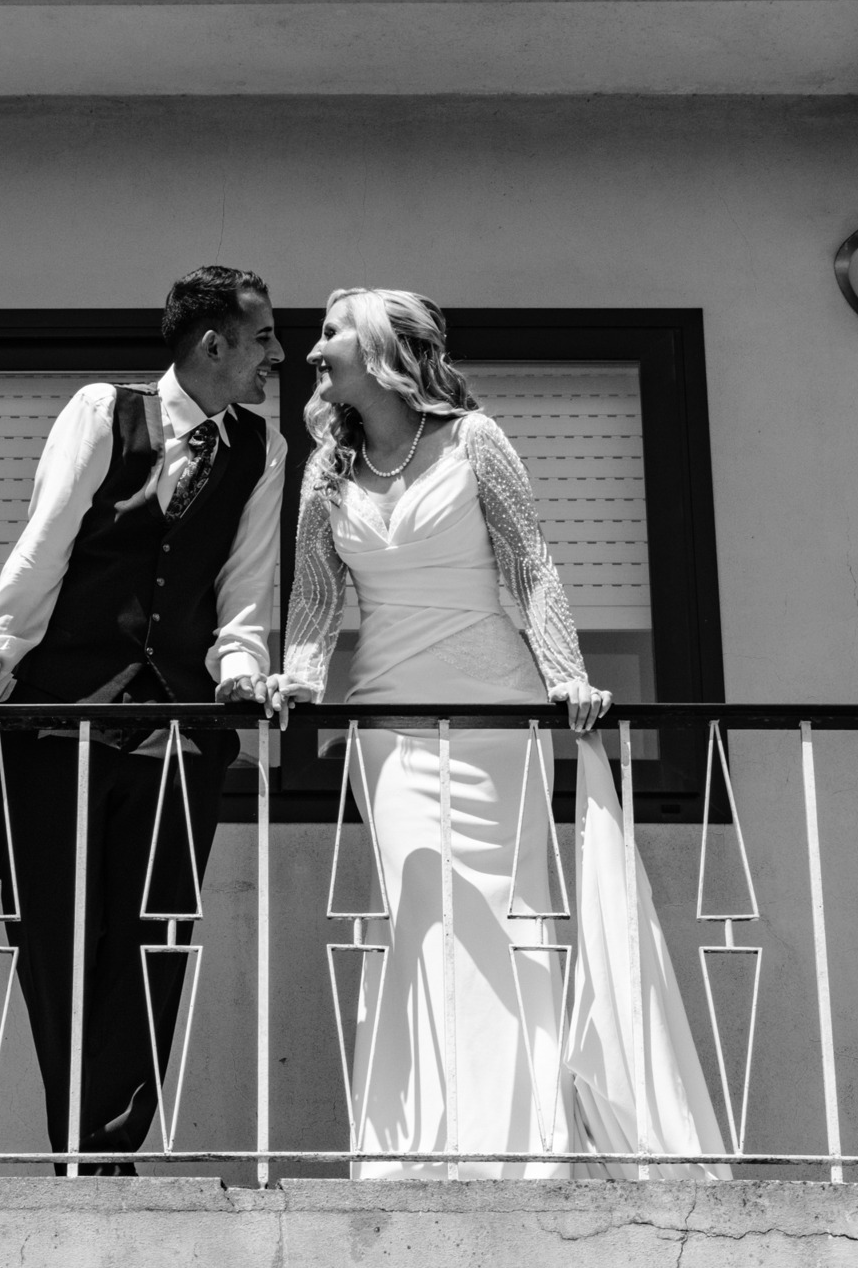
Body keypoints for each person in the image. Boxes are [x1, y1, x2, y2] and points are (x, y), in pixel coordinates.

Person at [268, 287, 726, 1179]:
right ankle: (424, 1151)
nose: (313, 351)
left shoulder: (476, 440)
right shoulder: (327, 467)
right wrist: (301, 677)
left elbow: (532, 564)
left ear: (381, 348)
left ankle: (523, 1149)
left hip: (497, 720)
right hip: (391, 726)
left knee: (509, 924)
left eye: (330, 334)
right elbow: (316, 596)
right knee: (423, 918)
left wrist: (566, 674)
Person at [0, 266, 286, 1174]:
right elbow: (40, 551)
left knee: (155, 941)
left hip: (177, 733)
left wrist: (239, 674)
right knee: (57, 939)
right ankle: (84, 1155)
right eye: (264, 336)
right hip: (55, 726)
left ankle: (106, 1153)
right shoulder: (102, 411)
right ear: (215, 345)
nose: (278, 354)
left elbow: (244, 589)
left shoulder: (261, 447)